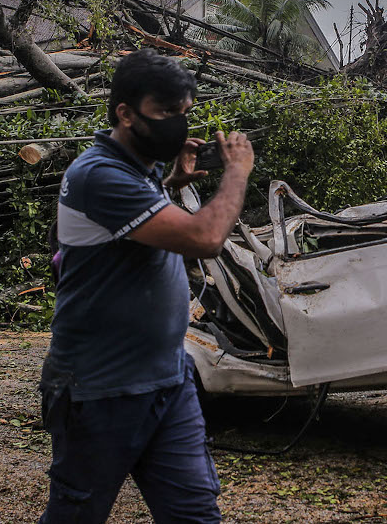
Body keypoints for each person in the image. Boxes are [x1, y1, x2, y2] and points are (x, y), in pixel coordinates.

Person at [39, 48, 253, 523]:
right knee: (77, 514)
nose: (177, 125)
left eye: (184, 114)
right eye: (165, 114)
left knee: (195, 515)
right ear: (125, 113)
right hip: (100, 387)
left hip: (167, 379)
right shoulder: (99, 175)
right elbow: (204, 237)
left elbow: (139, 231)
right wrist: (236, 172)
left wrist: (174, 183)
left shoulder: (143, 170)